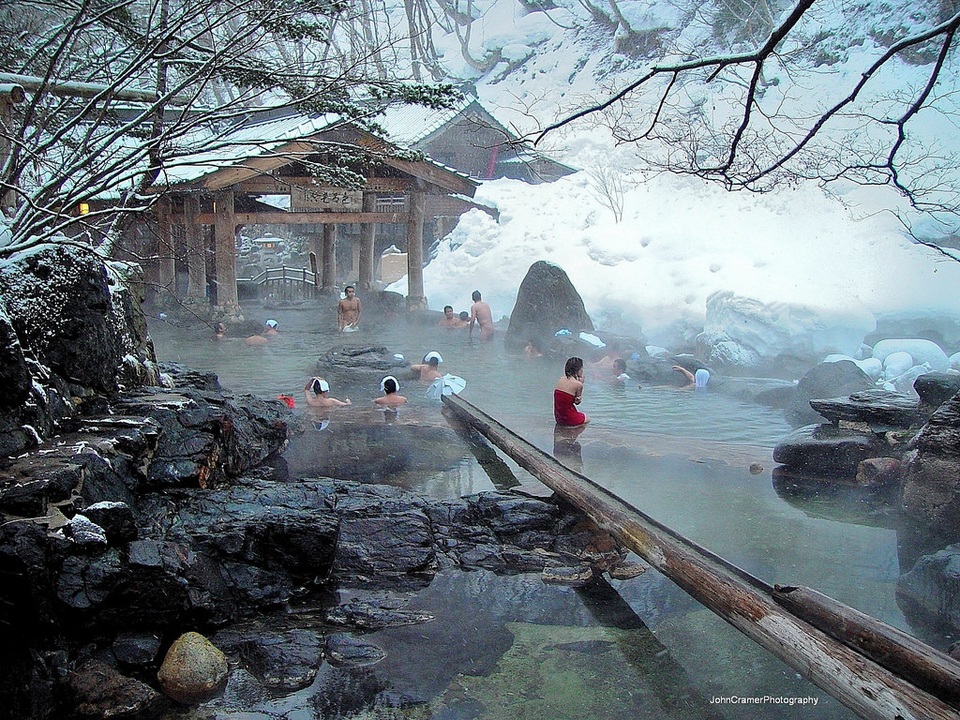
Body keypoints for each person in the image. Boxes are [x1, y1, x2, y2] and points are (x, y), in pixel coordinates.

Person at [554, 356, 590, 426]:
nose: (582, 370)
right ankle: (574, 434)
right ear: (577, 370)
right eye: (582, 368)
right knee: (588, 419)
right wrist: (581, 383)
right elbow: (577, 402)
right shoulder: (578, 385)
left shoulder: (561, 379)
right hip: (568, 418)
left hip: (558, 417)